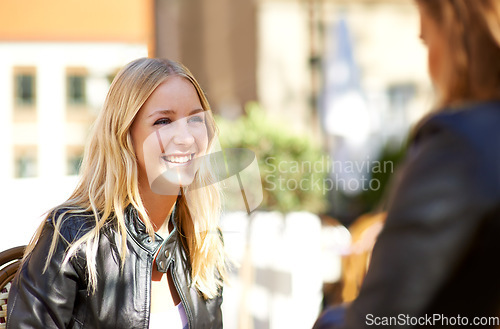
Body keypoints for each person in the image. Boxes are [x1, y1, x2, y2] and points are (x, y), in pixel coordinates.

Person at [314, 0, 500, 328]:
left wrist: (327, 320)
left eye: (428, 41)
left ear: (459, 36)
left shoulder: (461, 143)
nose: (430, 65)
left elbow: (376, 319)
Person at [7, 58, 227, 328]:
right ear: (124, 136)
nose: (185, 138)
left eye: (195, 119)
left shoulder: (203, 242)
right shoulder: (72, 237)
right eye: (163, 121)